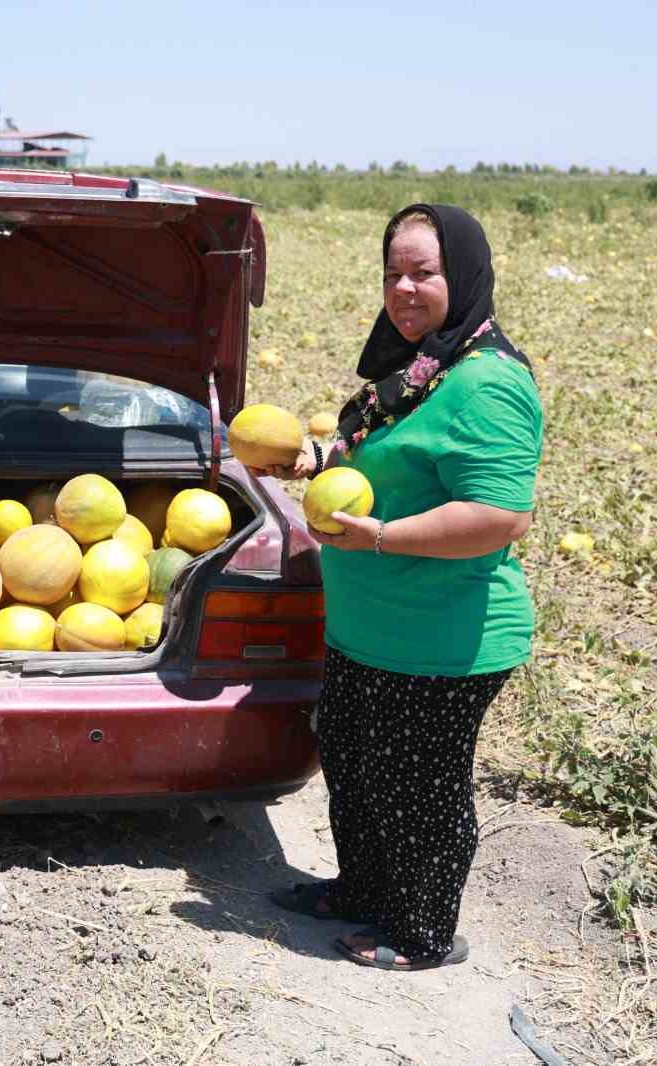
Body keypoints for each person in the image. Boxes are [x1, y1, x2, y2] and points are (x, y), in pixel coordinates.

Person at [260, 204, 543, 971]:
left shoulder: (488, 385)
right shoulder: (421, 372)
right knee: (355, 762)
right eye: (394, 272)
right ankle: (361, 889)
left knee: (419, 792)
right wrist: (317, 462)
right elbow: (381, 461)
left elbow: (498, 516)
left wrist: (378, 535)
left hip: (442, 638)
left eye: (424, 271)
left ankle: (420, 934)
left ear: (466, 274)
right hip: (370, 626)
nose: (404, 289)